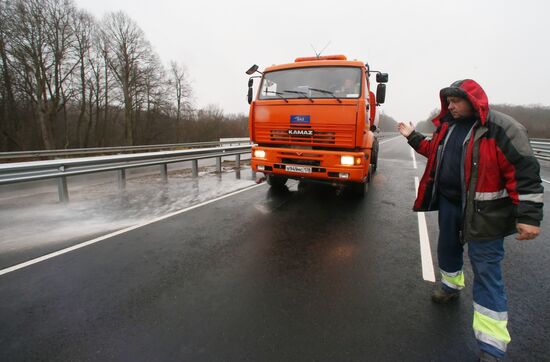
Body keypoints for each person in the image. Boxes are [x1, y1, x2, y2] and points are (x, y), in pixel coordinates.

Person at [398, 79, 543, 362]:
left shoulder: (501, 128)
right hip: (451, 204)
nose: (450, 106)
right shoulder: (447, 128)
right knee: (447, 249)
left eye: (455, 101)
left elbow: (524, 171)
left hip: (485, 214)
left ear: (473, 100)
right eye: (447, 102)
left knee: (487, 272)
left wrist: (529, 215)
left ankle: (492, 346)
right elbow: (433, 152)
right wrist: (412, 136)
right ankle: (451, 286)